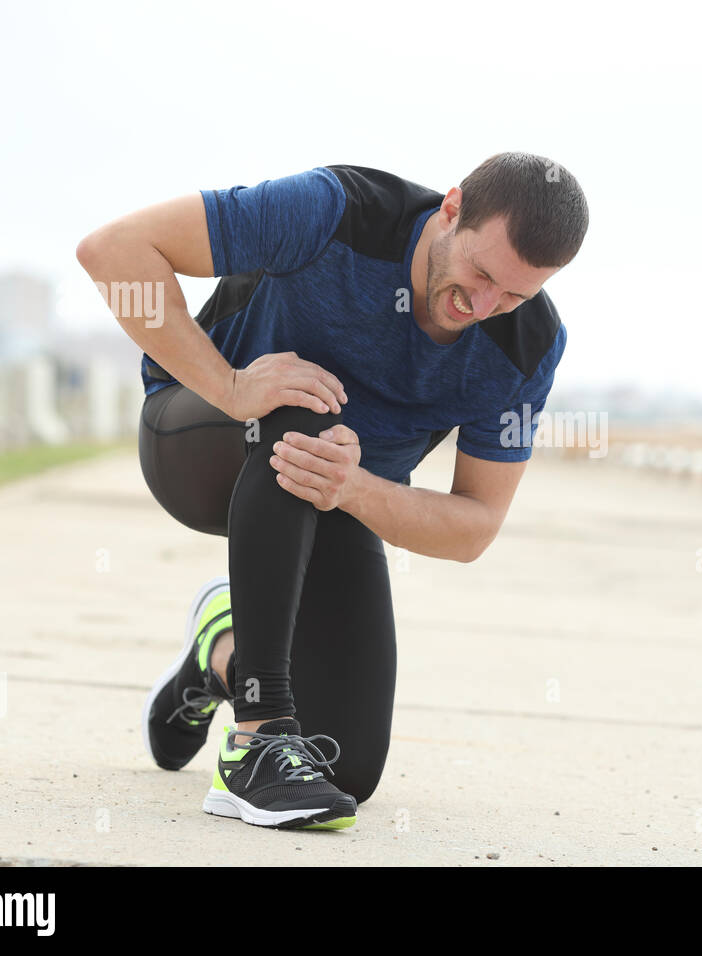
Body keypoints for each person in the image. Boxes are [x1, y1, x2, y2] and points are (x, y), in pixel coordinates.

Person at [76, 154, 589, 829]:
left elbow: (474, 525)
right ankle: (257, 741)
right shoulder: (333, 210)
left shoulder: (528, 347)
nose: (482, 307)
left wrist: (354, 489)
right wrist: (231, 386)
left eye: (514, 295)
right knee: (308, 410)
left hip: (328, 495)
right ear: (452, 208)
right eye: (481, 274)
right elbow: (112, 250)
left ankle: (219, 655)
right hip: (200, 443)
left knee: (343, 765)